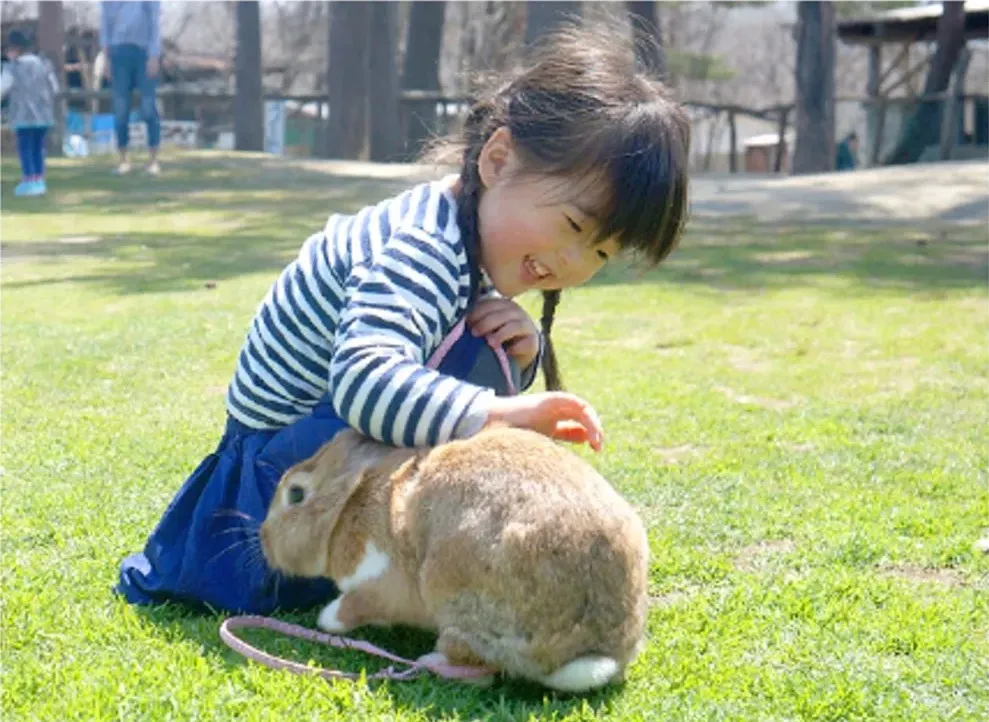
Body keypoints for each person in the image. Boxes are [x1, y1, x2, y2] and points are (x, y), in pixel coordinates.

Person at [115, 20, 691, 615]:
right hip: (275, 486)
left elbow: (422, 376)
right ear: (497, 160)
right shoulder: (424, 246)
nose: (572, 262)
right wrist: (502, 411)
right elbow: (366, 382)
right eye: (572, 226)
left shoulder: (465, 239)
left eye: (600, 253)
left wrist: (516, 363)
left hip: (320, 454)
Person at [99, 1, 162, 176]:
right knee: (120, 109)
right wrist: (106, 59)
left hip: (143, 52)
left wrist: (154, 56)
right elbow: (106, 25)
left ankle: (153, 160)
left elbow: (154, 23)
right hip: (119, 53)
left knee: (148, 106)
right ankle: (123, 160)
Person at [1, 30, 60, 197]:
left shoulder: (12, 67)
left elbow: (3, 87)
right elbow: (54, 87)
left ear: (15, 49)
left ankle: (29, 180)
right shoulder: (44, 63)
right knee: (38, 148)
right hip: (43, 115)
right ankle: (39, 180)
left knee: (25, 148)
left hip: (23, 116)